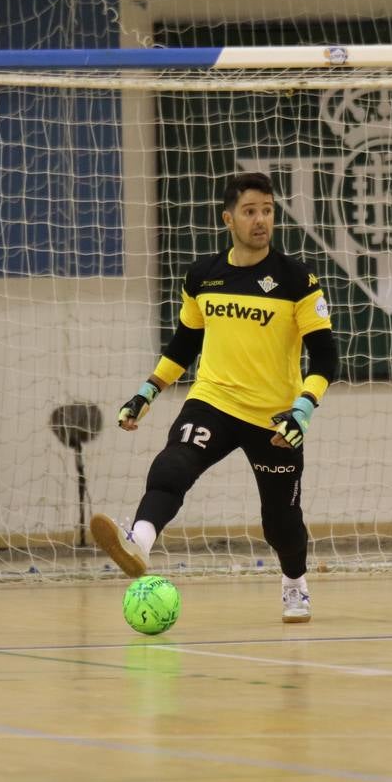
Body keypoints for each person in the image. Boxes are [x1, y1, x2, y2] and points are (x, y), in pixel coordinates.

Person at [91, 171, 338, 623]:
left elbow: (325, 359)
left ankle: (294, 584)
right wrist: (147, 392)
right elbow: (185, 344)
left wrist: (301, 411)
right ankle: (138, 541)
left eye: (267, 210)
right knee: (174, 463)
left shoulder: (297, 281)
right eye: (250, 211)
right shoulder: (203, 276)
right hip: (214, 401)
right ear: (228, 218)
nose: (261, 219)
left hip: (275, 418)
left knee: (281, 523)